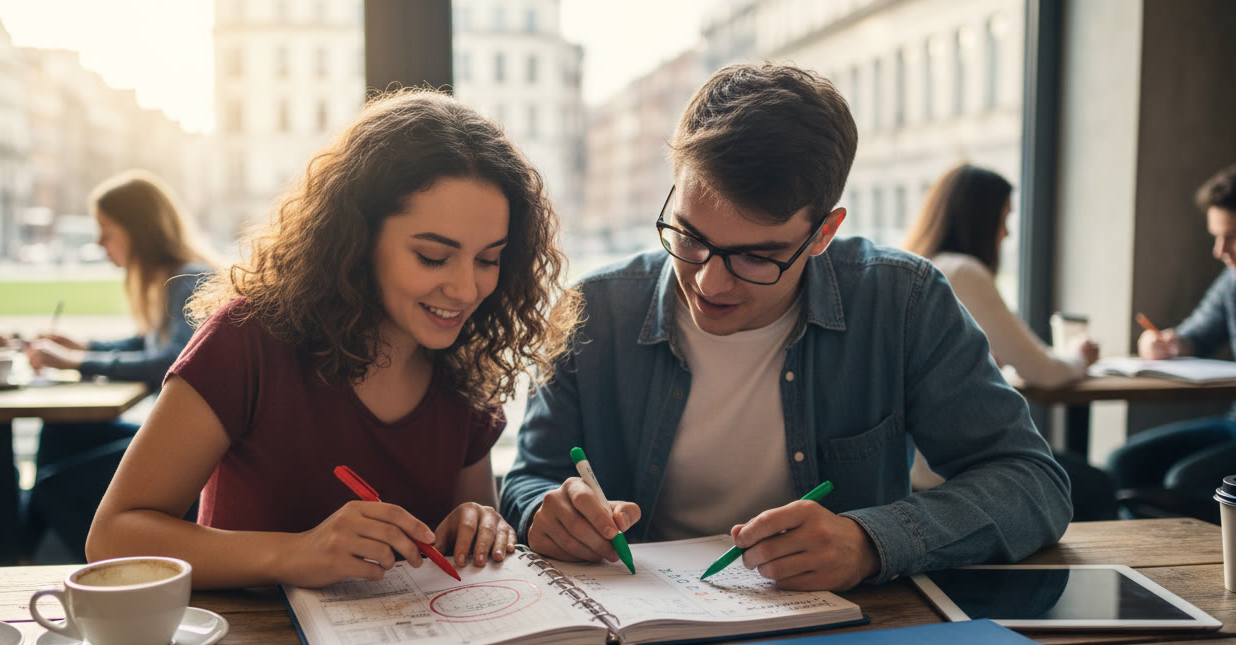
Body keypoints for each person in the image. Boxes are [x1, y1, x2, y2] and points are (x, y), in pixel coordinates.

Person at [501, 64, 1071, 592]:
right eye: (689, 237)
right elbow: (529, 480)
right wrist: (543, 511)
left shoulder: (902, 302)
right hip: (642, 628)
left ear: (823, 233)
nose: (709, 284)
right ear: (672, 195)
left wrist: (871, 541)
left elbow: (1032, 484)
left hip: (841, 639)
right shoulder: (592, 310)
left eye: (756, 256)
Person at [86, 90, 578, 589]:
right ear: (357, 238)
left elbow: (459, 539)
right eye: (433, 256)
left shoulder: (466, 364)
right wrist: (294, 553)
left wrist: (479, 522)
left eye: (489, 259)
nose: (467, 288)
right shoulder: (247, 341)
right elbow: (111, 537)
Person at [901, 164, 1118, 521]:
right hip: (949, 471)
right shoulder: (964, 271)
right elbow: (1046, 372)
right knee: (1095, 483)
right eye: (1003, 218)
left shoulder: (916, 267)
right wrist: (1080, 356)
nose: (1006, 232)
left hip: (911, 468)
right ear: (979, 219)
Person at [23, 171, 216, 559]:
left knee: (51, 487)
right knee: (59, 430)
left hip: (203, 451)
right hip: (178, 436)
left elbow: (170, 360)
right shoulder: (174, 278)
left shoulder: (191, 279)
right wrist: (85, 346)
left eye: (106, 229)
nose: (99, 242)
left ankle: (109, 575)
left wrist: (78, 361)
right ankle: (23, 554)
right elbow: (147, 343)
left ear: (138, 230)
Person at [1106, 163, 1236, 517]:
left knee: (1186, 483)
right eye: (1216, 235)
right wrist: (1169, 344)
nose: (1220, 250)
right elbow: (1197, 334)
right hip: (1232, 422)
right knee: (1123, 463)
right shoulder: (1232, 281)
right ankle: (1130, 572)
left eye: (1232, 236)